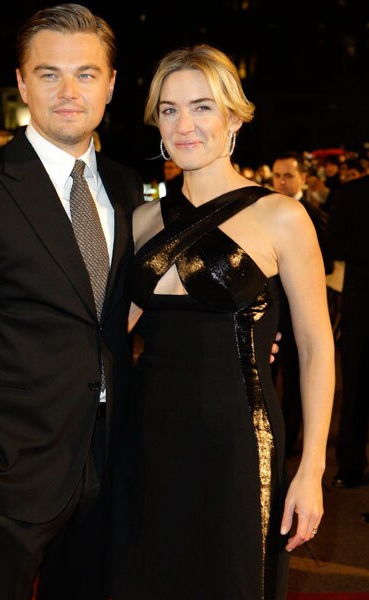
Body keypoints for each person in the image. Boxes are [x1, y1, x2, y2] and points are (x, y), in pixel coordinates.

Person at [0, 4, 145, 599]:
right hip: (6, 473)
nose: (69, 91)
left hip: (108, 462)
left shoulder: (123, 186)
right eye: (48, 73)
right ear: (20, 81)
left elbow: (118, 312)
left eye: (86, 74)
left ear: (111, 84)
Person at [108, 43, 335, 600]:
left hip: (239, 442)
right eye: (169, 109)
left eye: (203, 107)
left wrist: (310, 471)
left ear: (234, 116)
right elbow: (108, 332)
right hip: (146, 439)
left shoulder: (281, 216)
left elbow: (316, 348)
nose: (185, 125)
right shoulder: (138, 221)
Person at [270, 151, 333, 456]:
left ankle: (289, 442)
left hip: (298, 316)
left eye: (288, 175)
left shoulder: (313, 215)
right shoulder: (263, 212)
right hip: (267, 314)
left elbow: (328, 264)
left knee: (296, 383)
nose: (282, 181)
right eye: (277, 175)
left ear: (302, 179)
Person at [326, 174, 369, 489]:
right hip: (361, 306)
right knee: (355, 387)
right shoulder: (351, 192)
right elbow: (333, 242)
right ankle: (350, 465)